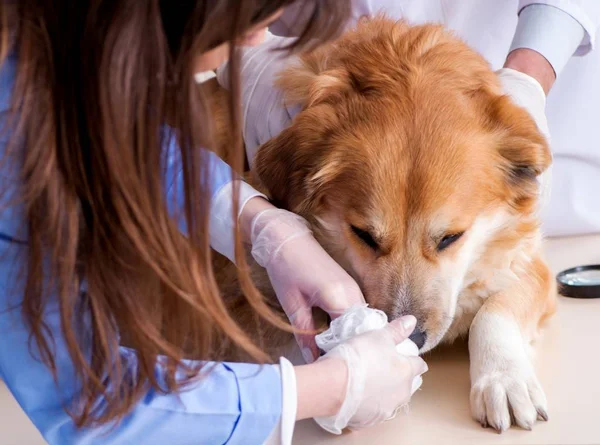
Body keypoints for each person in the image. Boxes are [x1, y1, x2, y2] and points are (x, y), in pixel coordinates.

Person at [0, 1, 428, 444]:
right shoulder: (10, 142)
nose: (254, 40)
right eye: (244, 19)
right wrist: (320, 391)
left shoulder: (45, 52)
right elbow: (90, 400)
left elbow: (111, 137)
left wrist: (258, 221)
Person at [222, 0, 600, 237]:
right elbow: (197, 19)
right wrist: (252, 68)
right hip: (305, 109)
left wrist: (527, 77)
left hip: (536, 111)